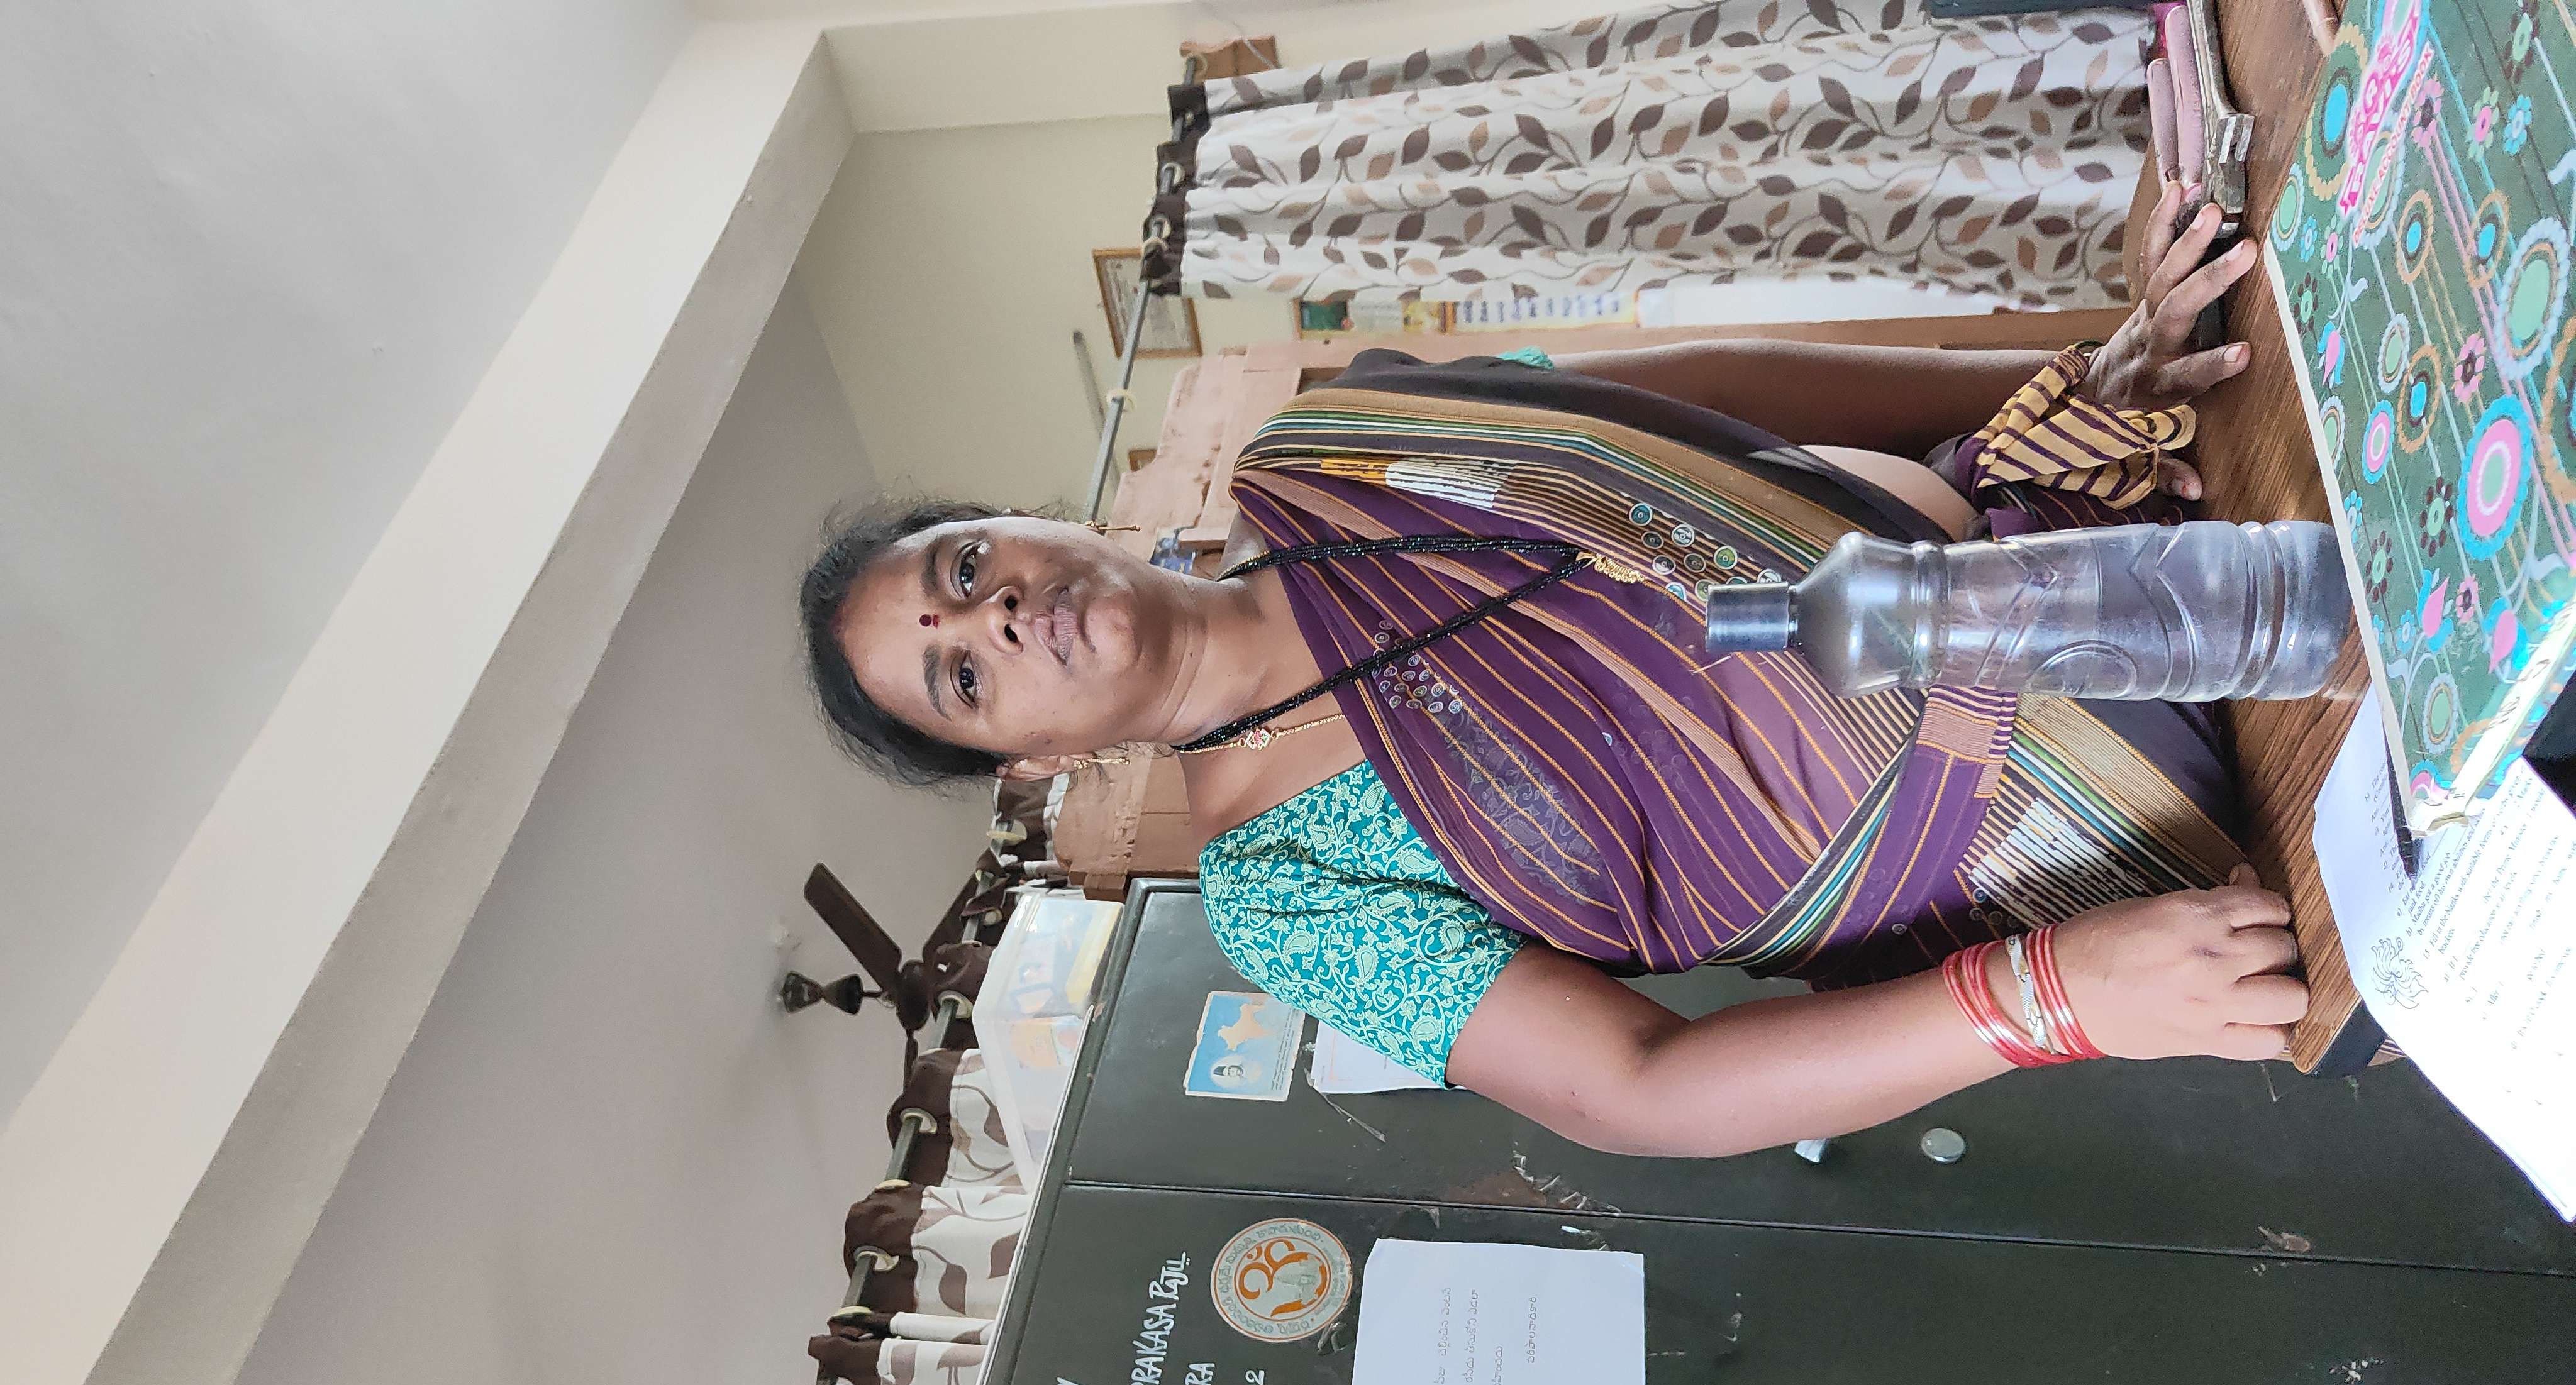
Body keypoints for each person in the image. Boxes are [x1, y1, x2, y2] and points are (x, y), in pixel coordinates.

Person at [801, 190, 2308, 1159]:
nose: (996, 618)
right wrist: (2048, 997)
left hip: (2154, 514)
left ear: (1030, 522)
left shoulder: (1335, 449)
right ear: (1035, 766)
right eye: (960, 678)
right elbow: (1636, 1086)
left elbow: (1702, 401)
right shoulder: (1282, 886)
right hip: (2163, 836)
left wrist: (2066, 374)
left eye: (961, 569)